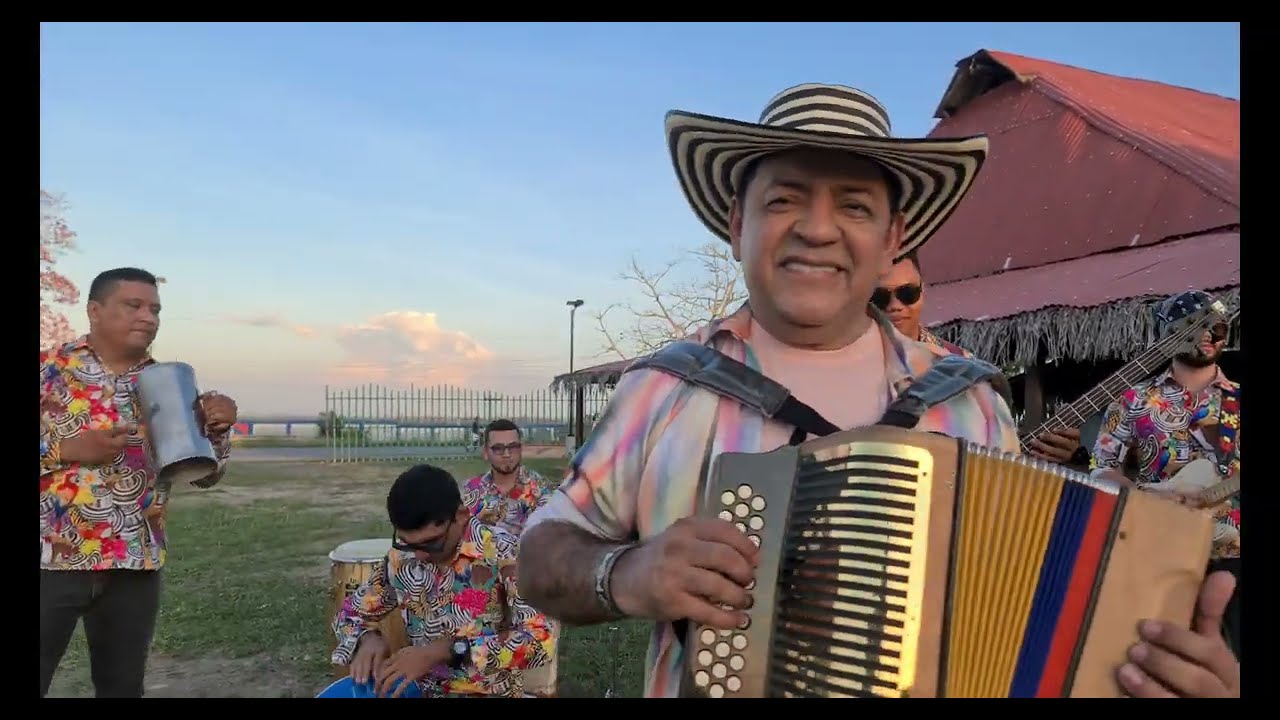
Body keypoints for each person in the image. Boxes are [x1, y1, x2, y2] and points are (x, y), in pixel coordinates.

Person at [517, 84, 1239, 699]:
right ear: (738, 226)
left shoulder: (968, 398)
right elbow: (539, 554)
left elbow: (1022, 611)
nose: (818, 229)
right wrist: (623, 571)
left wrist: (1151, 663)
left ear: (894, 236)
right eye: (785, 200)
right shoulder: (665, 389)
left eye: (855, 207)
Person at [39, 267, 239, 698]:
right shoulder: (49, 370)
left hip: (134, 561)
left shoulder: (170, 383)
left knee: (122, 688)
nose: (148, 317)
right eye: (134, 305)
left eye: (155, 309)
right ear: (95, 310)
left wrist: (218, 434)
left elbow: (203, 476)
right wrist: (69, 450)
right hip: (52, 559)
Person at [1091, 290, 1240, 656]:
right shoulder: (1132, 401)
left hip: (1234, 558)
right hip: (1157, 553)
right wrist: (1150, 497)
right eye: (1195, 328)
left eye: (1217, 329)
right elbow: (1100, 469)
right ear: (1166, 334)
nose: (1208, 336)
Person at [332, 463, 554, 698]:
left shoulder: (505, 554)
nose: (419, 555)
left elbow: (540, 642)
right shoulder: (402, 557)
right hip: (419, 692)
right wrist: (366, 638)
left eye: (432, 543)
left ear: (460, 516)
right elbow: (348, 614)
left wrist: (449, 650)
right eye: (408, 543)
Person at [877, 251, 1085, 467]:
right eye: (880, 298)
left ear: (923, 290)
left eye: (908, 293)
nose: (895, 306)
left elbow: (1000, 455)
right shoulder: (854, 365)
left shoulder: (962, 365)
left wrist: (1074, 458)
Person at [462, 419, 549, 536]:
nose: (507, 454)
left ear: (521, 449)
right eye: (498, 448)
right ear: (486, 452)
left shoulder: (541, 490)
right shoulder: (470, 491)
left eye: (513, 447)